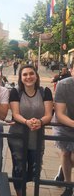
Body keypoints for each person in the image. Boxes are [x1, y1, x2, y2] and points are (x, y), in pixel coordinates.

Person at [8, 64, 53, 196]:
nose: (28, 77)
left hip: (37, 136)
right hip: (18, 137)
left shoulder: (45, 91)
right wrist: (27, 122)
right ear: (21, 78)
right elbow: (15, 114)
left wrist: (40, 121)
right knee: (19, 168)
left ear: (36, 75)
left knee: (35, 168)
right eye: (25, 74)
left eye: (31, 73)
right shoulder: (15, 92)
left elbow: (49, 114)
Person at [54, 62, 74, 196]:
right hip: (64, 124)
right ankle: (68, 185)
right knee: (66, 153)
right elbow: (60, 114)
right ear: (71, 71)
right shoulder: (63, 85)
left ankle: (63, 168)